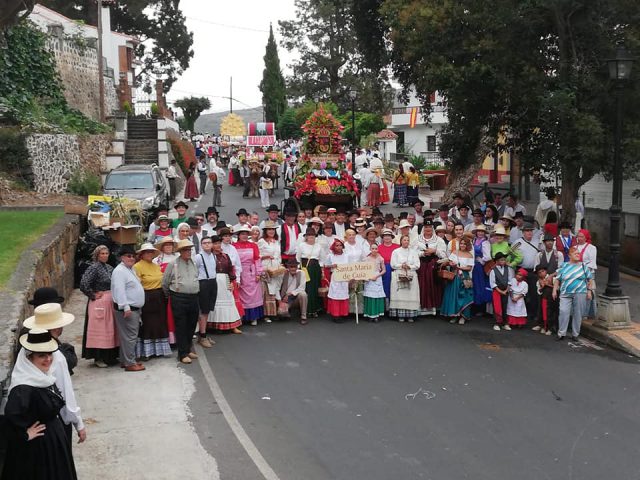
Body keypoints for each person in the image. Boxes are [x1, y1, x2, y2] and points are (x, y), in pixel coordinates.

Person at [3, 329, 78, 479]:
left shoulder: (44, 377)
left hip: (53, 445)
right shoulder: (23, 388)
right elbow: (9, 419)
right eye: (41, 355)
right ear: (29, 359)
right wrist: (24, 435)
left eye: (50, 354)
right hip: (38, 452)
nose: (48, 359)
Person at [22, 304, 86, 447]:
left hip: (33, 425)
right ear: (57, 328)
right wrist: (78, 423)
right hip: (53, 424)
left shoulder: (26, 351)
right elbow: (65, 391)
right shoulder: (56, 356)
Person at [79, 245, 119, 367]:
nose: (105, 255)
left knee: (110, 329)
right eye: (102, 253)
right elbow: (84, 284)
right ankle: (98, 358)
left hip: (110, 301)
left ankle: (110, 356)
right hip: (99, 302)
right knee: (100, 330)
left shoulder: (110, 268)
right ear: (97, 255)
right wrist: (93, 295)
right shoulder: (93, 268)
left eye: (106, 253)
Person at [162, 239, 200, 364]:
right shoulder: (173, 264)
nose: (188, 252)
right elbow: (165, 283)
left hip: (193, 297)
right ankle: (182, 353)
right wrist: (171, 295)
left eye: (189, 250)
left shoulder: (193, 263)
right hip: (178, 297)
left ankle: (188, 349)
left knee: (192, 324)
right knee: (181, 325)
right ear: (180, 252)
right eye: (185, 250)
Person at [133, 243, 172, 359]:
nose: (149, 254)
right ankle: (146, 352)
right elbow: (136, 284)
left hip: (159, 296)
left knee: (160, 322)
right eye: (147, 252)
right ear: (142, 254)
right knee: (148, 323)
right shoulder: (137, 267)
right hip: (147, 297)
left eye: (151, 252)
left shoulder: (156, 266)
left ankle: (159, 350)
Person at [111, 245, 146, 372]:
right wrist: (125, 307)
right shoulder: (120, 271)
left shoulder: (129, 269)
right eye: (128, 256)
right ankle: (130, 363)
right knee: (130, 336)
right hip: (127, 309)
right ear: (122, 258)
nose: (131, 258)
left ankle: (125, 360)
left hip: (133, 308)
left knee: (127, 336)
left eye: (133, 256)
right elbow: (119, 291)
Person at [553, 246, 594, 340]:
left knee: (578, 313)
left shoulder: (583, 266)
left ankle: (575, 334)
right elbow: (558, 279)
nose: (577, 255)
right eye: (575, 253)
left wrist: (589, 291)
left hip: (580, 292)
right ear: (569, 255)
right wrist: (554, 290)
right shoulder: (564, 265)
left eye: (578, 253)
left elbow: (590, 279)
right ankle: (561, 333)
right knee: (563, 311)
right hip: (565, 292)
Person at [207, 236, 242, 333]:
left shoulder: (226, 256)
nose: (217, 245)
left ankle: (232, 326)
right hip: (214, 281)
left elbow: (230, 270)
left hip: (225, 280)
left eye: (219, 243)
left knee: (229, 301)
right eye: (215, 243)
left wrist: (232, 281)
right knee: (215, 302)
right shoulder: (208, 256)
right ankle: (215, 325)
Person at [234, 226, 265, 326]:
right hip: (239, 272)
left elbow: (257, 259)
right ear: (238, 235)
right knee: (240, 294)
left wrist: (258, 273)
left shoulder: (253, 245)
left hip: (251, 272)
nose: (244, 236)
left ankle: (253, 317)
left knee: (253, 295)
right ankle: (242, 316)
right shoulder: (234, 246)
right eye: (242, 234)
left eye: (246, 234)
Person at [440, 237, 474, 324]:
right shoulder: (455, 252)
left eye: (464, 244)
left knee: (464, 296)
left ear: (468, 245)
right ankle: (455, 315)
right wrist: (451, 263)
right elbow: (449, 262)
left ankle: (463, 316)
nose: (462, 245)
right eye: (461, 243)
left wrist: (460, 267)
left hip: (464, 277)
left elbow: (469, 268)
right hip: (454, 276)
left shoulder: (470, 255)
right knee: (454, 295)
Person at [416, 220, 447, 316]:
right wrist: (422, 253)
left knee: (433, 285)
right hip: (421, 264)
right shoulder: (416, 240)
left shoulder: (439, 240)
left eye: (429, 227)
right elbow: (412, 253)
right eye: (426, 227)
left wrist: (434, 251)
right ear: (423, 228)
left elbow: (444, 255)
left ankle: (433, 307)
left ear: (432, 228)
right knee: (422, 285)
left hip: (433, 265)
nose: (428, 229)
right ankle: (422, 307)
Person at [389, 234, 421, 322]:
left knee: (410, 295)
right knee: (400, 295)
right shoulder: (396, 251)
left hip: (411, 274)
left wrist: (409, 266)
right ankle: (401, 315)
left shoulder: (414, 252)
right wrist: (401, 265)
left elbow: (417, 264)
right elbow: (393, 264)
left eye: (407, 240)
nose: (406, 242)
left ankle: (410, 315)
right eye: (404, 240)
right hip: (399, 274)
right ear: (401, 241)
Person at [258, 221, 284, 323]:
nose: (271, 231)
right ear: (265, 231)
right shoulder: (261, 242)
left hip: (276, 267)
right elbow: (257, 256)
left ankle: (274, 312)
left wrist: (280, 264)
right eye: (269, 229)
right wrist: (266, 256)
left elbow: (279, 255)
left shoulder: (276, 241)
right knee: (267, 291)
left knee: (276, 289)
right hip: (266, 267)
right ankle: (265, 314)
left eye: (273, 229)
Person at [194, 236, 217, 347]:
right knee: (204, 311)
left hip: (212, 282)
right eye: (204, 243)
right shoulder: (198, 257)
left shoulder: (213, 256)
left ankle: (203, 334)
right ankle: (202, 336)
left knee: (208, 311)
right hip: (203, 283)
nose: (207, 245)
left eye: (209, 242)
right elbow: (195, 271)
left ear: (212, 244)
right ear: (201, 245)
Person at [296, 229, 324, 318]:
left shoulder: (319, 246)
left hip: (315, 270)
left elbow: (322, 259)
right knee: (306, 289)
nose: (311, 238)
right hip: (305, 269)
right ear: (306, 237)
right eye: (309, 236)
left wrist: (322, 270)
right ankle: (305, 310)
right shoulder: (302, 245)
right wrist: (298, 270)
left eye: (313, 236)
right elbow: (298, 258)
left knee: (314, 289)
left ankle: (314, 309)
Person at [325, 239, 350, 323]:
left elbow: (350, 266)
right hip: (335, 278)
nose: (339, 247)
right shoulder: (330, 256)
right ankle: (335, 314)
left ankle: (343, 313)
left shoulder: (347, 255)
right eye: (337, 245)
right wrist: (332, 265)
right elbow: (325, 265)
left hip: (344, 277)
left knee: (343, 295)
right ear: (334, 247)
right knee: (335, 295)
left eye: (340, 245)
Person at [575, 229, 598, 318]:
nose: (579, 238)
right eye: (578, 236)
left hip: (587, 274)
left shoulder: (592, 248)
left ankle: (586, 314)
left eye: (582, 237)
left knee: (587, 294)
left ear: (586, 237)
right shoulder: (574, 247)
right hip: (576, 274)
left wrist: (582, 271)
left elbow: (592, 263)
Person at [278, 259, 309, 324]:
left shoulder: (301, 273)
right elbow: (277, 287)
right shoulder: (284, 274)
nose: (293, 269)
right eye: (291, 267)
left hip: (296, 297)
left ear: (297, 267)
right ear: (288, 267)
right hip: (286, 299)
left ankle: (303, 317)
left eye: (295, 267)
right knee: (281, 313)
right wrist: (280, 300)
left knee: (303, 294)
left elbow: (302, 288)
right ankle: (287, 312)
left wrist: (290, 294)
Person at [471, 224, 492, 311]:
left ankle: (480, 308)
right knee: (475, 285)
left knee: (480, 285)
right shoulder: (475, 240)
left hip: (479, 267)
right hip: (474, 265)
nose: (480, 233)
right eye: (478, 231)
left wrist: (480, 259)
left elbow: (488, 257)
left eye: (482, 231)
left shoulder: (485, 242)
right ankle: (475, 305)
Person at [363, 243, 386, 322]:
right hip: (369, 278)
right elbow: (364, 270)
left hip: (377, 277)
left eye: (376, 248)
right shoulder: (366, 259)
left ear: (378, 249)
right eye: (372, 248)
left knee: (377, 296)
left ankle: (376, 315)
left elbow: (384, 270)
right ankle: (370, 314)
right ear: (370, 249)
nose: (374, 250)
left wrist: (377, 276)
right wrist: (367, 277)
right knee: (370, 296)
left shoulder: (380, 258)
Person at [489, 252, 513, 330]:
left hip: (505, 291)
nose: (503, 261)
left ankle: (505, 323)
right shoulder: (493, 271)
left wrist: (506, 290)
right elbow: (493, 283)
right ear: (497, 261)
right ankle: (497, 323)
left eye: (504, 260)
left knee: (505, 306)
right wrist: (500, 291)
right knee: (497, 307)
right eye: (501, 260)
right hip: (497, 291)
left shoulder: (508, 269)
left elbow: (510, 280)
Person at [378, 229, 400, 310]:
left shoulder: (397, 247)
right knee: (385, 287)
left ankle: (395, 307)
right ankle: (385, 308)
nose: (387, 237)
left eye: (389, 236)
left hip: (395, 269)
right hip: (383, 270)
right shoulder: (379, 247)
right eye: (385, 236)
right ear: (382, 238)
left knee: (395, 287)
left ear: (392, 237)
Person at [534, 264, 557, 335]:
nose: (542, 273)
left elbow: (557, 288)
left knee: (550, 313)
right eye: (539, 273)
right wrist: (542, 286)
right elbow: (539, 292)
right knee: (542, 312)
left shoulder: (552, 278)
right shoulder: (539, 281)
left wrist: (548, 285)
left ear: (546, 271)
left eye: (543, 271)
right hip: (543, 298)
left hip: (552, 299)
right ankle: (543, 326)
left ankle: (550, 328)